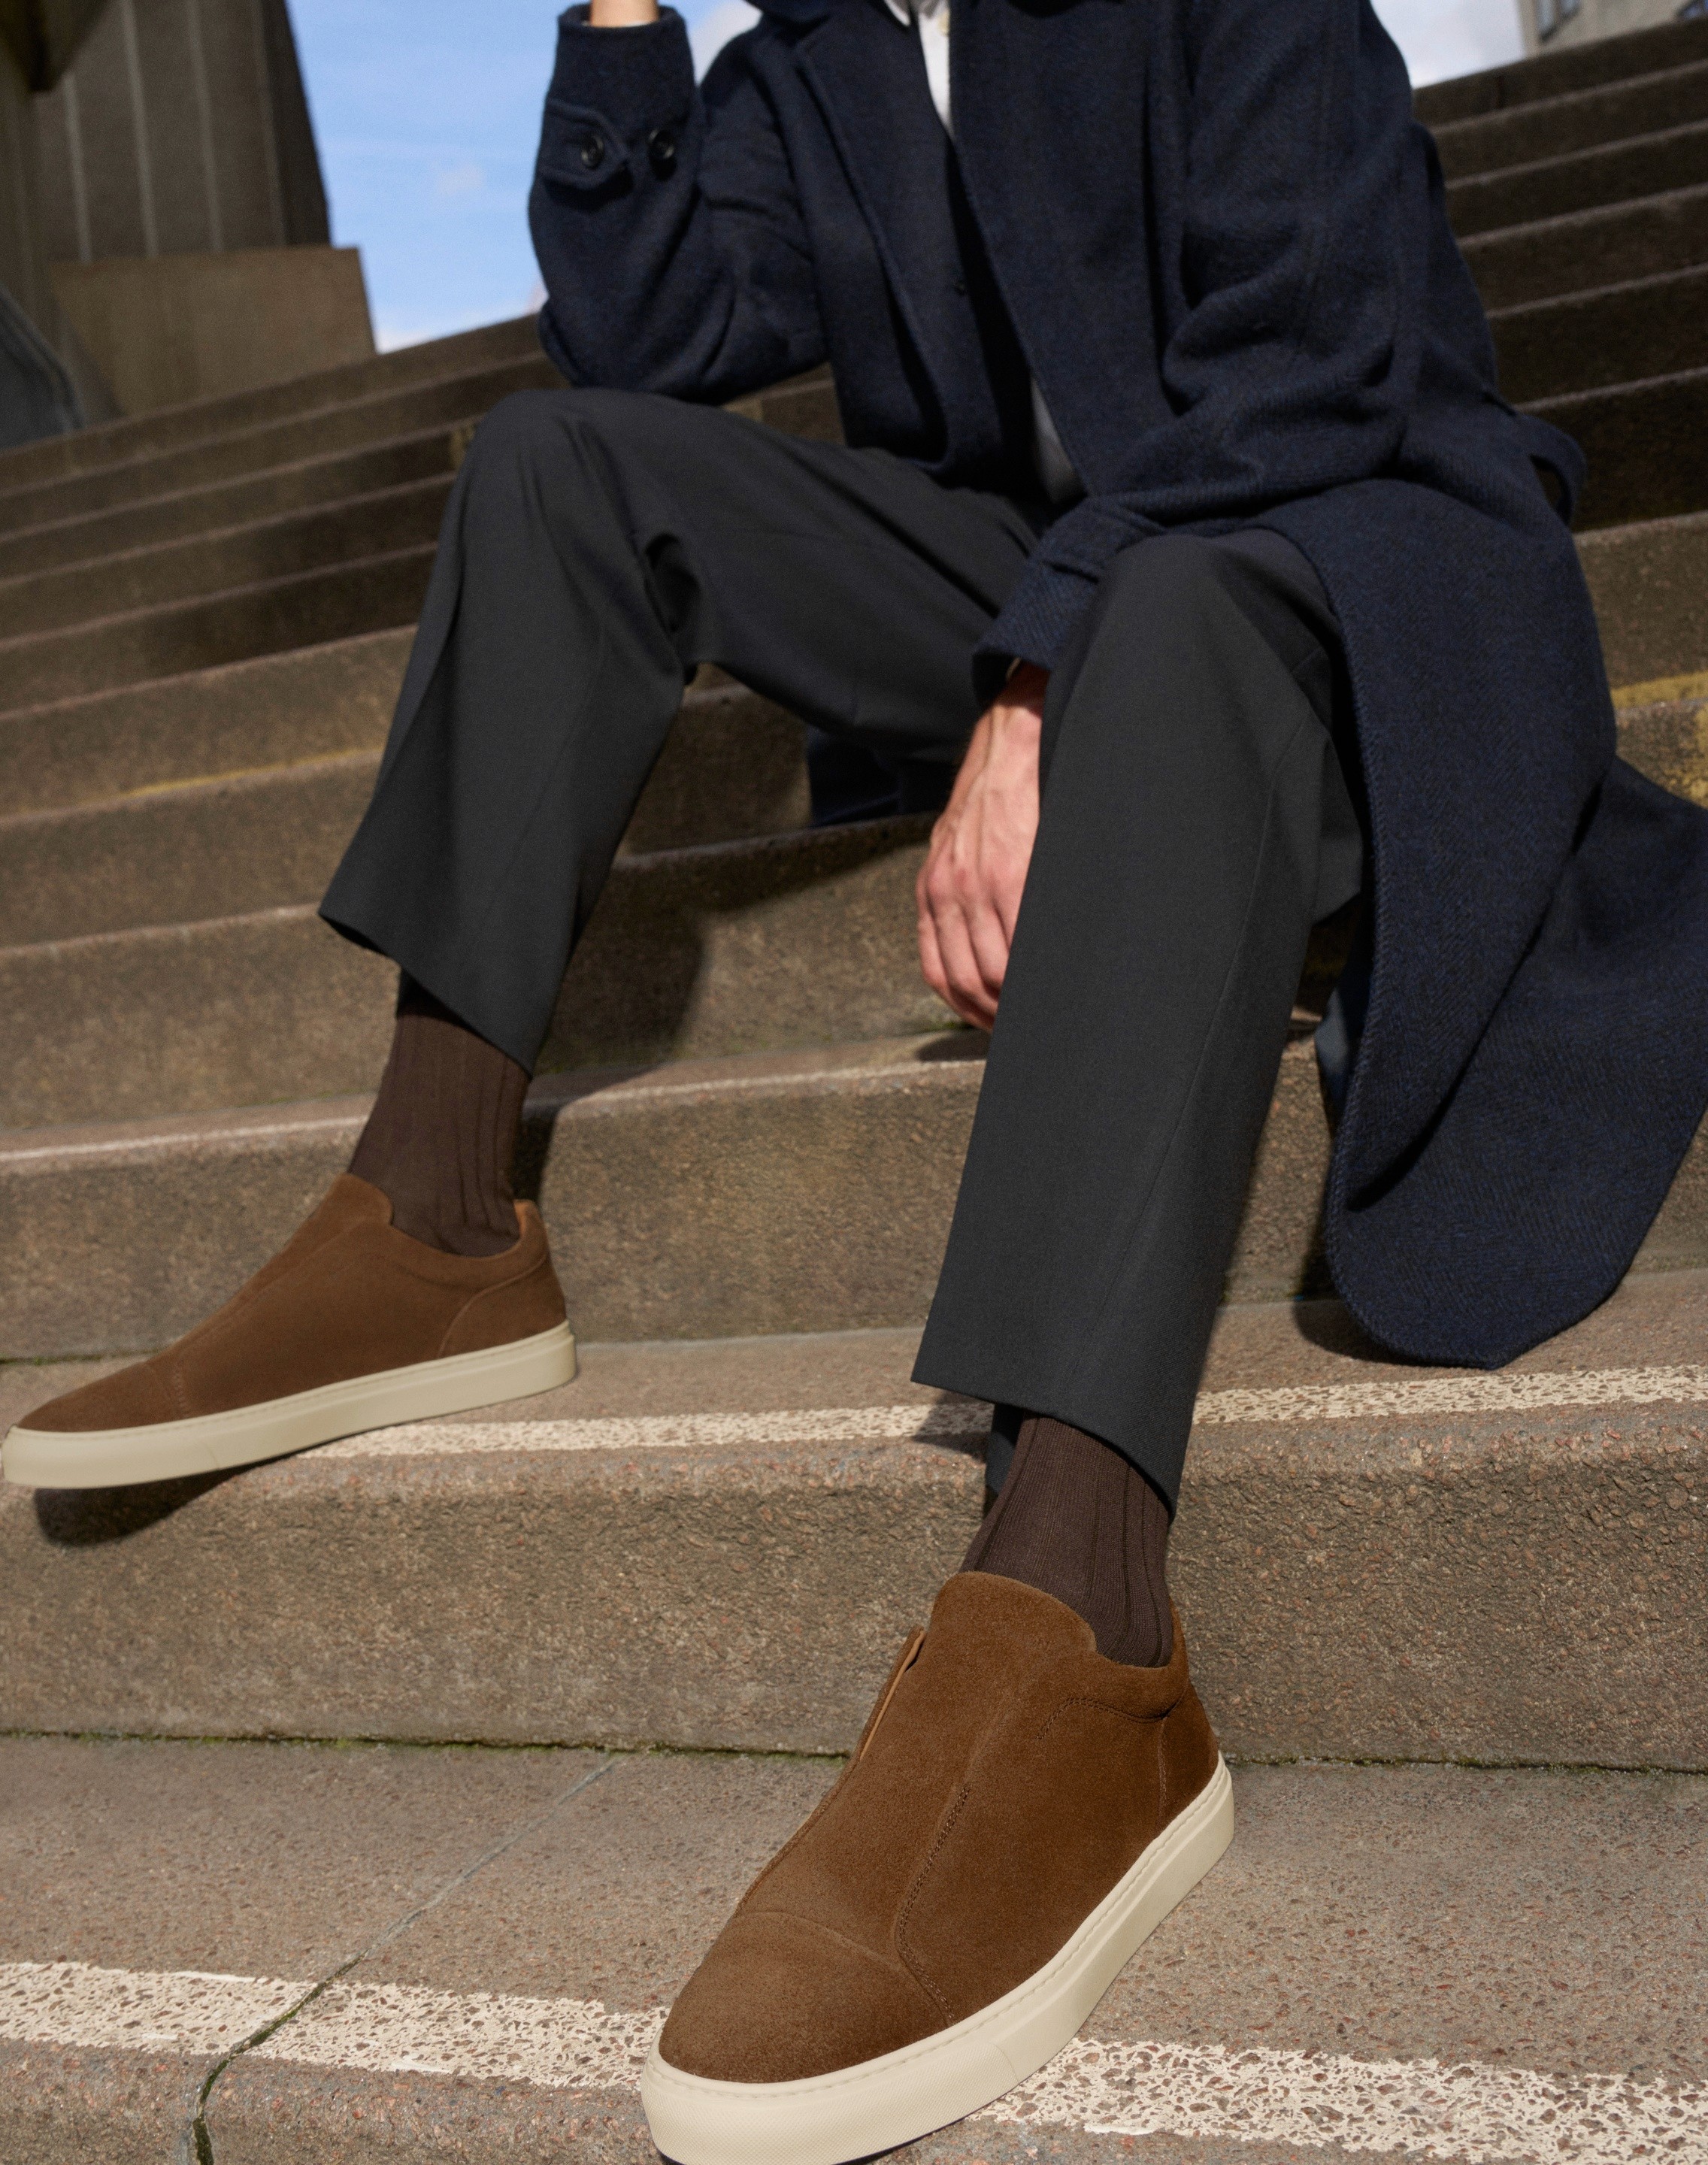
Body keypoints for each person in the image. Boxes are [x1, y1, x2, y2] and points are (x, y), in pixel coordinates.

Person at [10, 0, 1708, 2154]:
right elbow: (641, 337)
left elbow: (1325, 357)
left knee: (1175, 611)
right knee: (556, 459)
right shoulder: (825, 50)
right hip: (1067, 581)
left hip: (1350, 569)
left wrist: (1041, 681)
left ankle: (1081, 1607)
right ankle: (433, 1204)